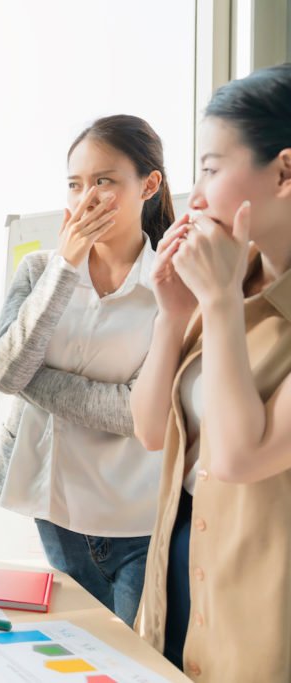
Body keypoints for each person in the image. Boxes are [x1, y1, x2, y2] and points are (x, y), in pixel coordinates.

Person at [132, 63, 291, 681]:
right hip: (180, 573)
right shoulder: (229, 281)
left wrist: (220, 302)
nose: (194, 196)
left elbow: (236, 458)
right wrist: (172, 318)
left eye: (211, 168)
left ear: (284, 172)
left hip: (262, 604)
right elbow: (151, 432)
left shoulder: (226, 290)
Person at [0, 115, 173, 626]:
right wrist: (65, 268)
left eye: (104, 181)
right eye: (75, 184)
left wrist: (31, 379)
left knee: (138, 666)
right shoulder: (39, 271)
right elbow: (4, 373)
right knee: (73, 658)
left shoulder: (171, 290)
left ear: (148, 184)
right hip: (54, 512)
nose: (86, 198)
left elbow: (134, 413)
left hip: (138, 518)